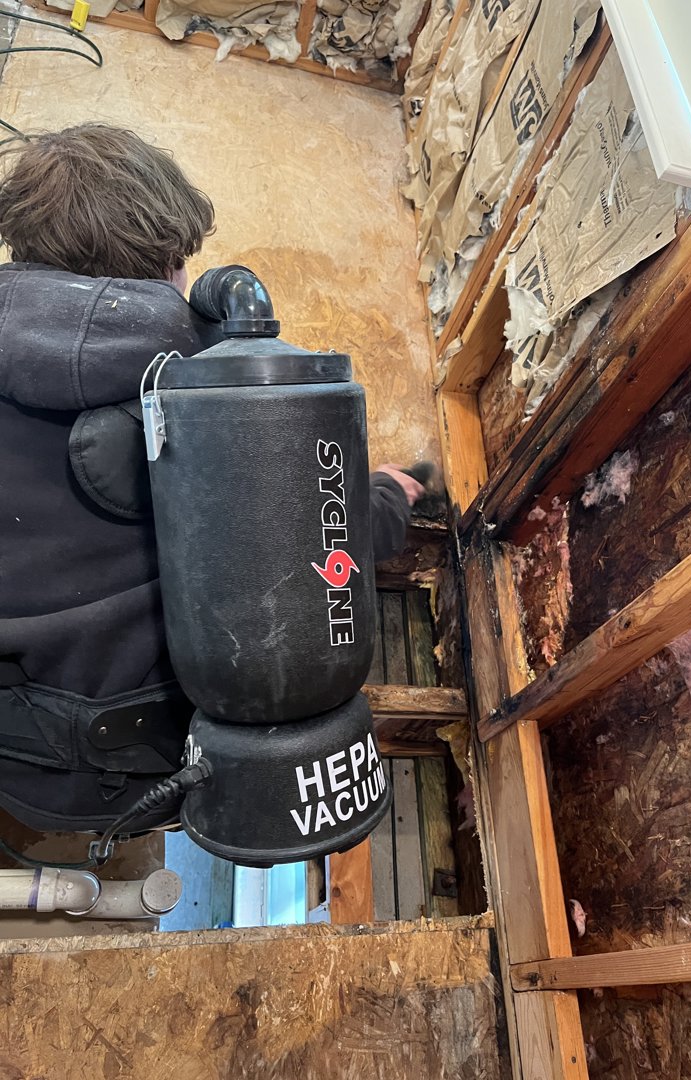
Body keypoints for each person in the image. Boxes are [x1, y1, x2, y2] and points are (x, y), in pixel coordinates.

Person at [0, 124, 424, 834]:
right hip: (140, 777)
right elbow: (312, 547)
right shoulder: (183, 383)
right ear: (168, 261)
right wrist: (386, 496)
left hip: (17, 767)